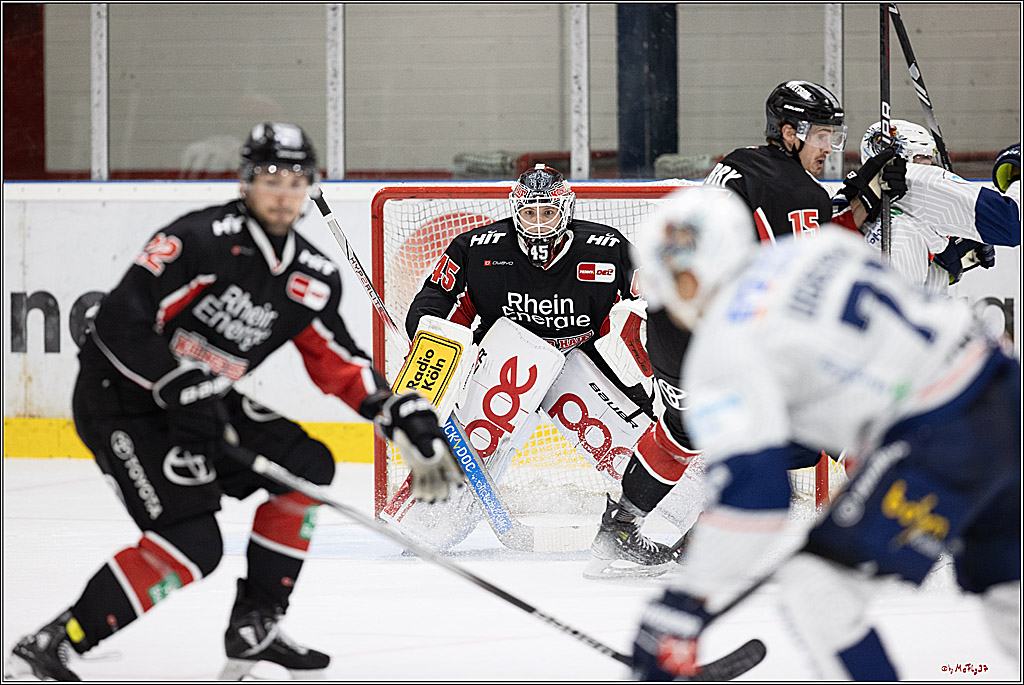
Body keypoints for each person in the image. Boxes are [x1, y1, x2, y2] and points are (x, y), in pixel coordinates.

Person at [4, 122, 463, 681]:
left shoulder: (311, 275)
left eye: (298, 179)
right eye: (271, 176)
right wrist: (178, 382)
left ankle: (256, 626)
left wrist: (402, 416)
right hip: (120, 400)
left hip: (204, 403)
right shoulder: (201, 240)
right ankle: (56, 639)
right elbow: (120, 322)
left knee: (307, 465)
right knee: (193, 543)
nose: (284, 191)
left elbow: (339, 363)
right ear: (246, 180)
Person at [629, 186, 1020, 680]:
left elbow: (756, 499)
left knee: (817, 588)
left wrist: (682, 605)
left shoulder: (726, 343)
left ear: (689, 278)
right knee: (1013, 601)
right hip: (1007, 394)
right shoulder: (819, 246)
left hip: (942, 438)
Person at [606, 80, 910, 576]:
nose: (830, 147)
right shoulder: (796, 188)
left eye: (835, 135)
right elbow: (807, 258)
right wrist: (869, 198)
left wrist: (861, 195)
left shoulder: (742, 162)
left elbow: (786, 229)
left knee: (683, 433)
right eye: (822, 136)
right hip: (716, 336)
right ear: (790, 132)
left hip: (671, 327)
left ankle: (616, 533)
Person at [401, 163, 692, 576]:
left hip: (576, 359)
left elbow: (654, 302)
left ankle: (668, 521)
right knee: (474, 449)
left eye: (547, 213)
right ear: (514, 211)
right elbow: (435, 302)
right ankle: (427, 519)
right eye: (529, 213)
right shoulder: (477, 249)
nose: (538, 224)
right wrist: (429, 343)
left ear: (566, 211)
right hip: (506, 362)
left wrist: (654, 362)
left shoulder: (607, 249)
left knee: (632, 442)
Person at [851, 121, 1020, 294]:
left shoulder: (854, 204)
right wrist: (1016, 173)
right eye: (920, 158)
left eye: (929, 158)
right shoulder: (918, 179)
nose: (928, 166)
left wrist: (952, 252)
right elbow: (1012, 222)